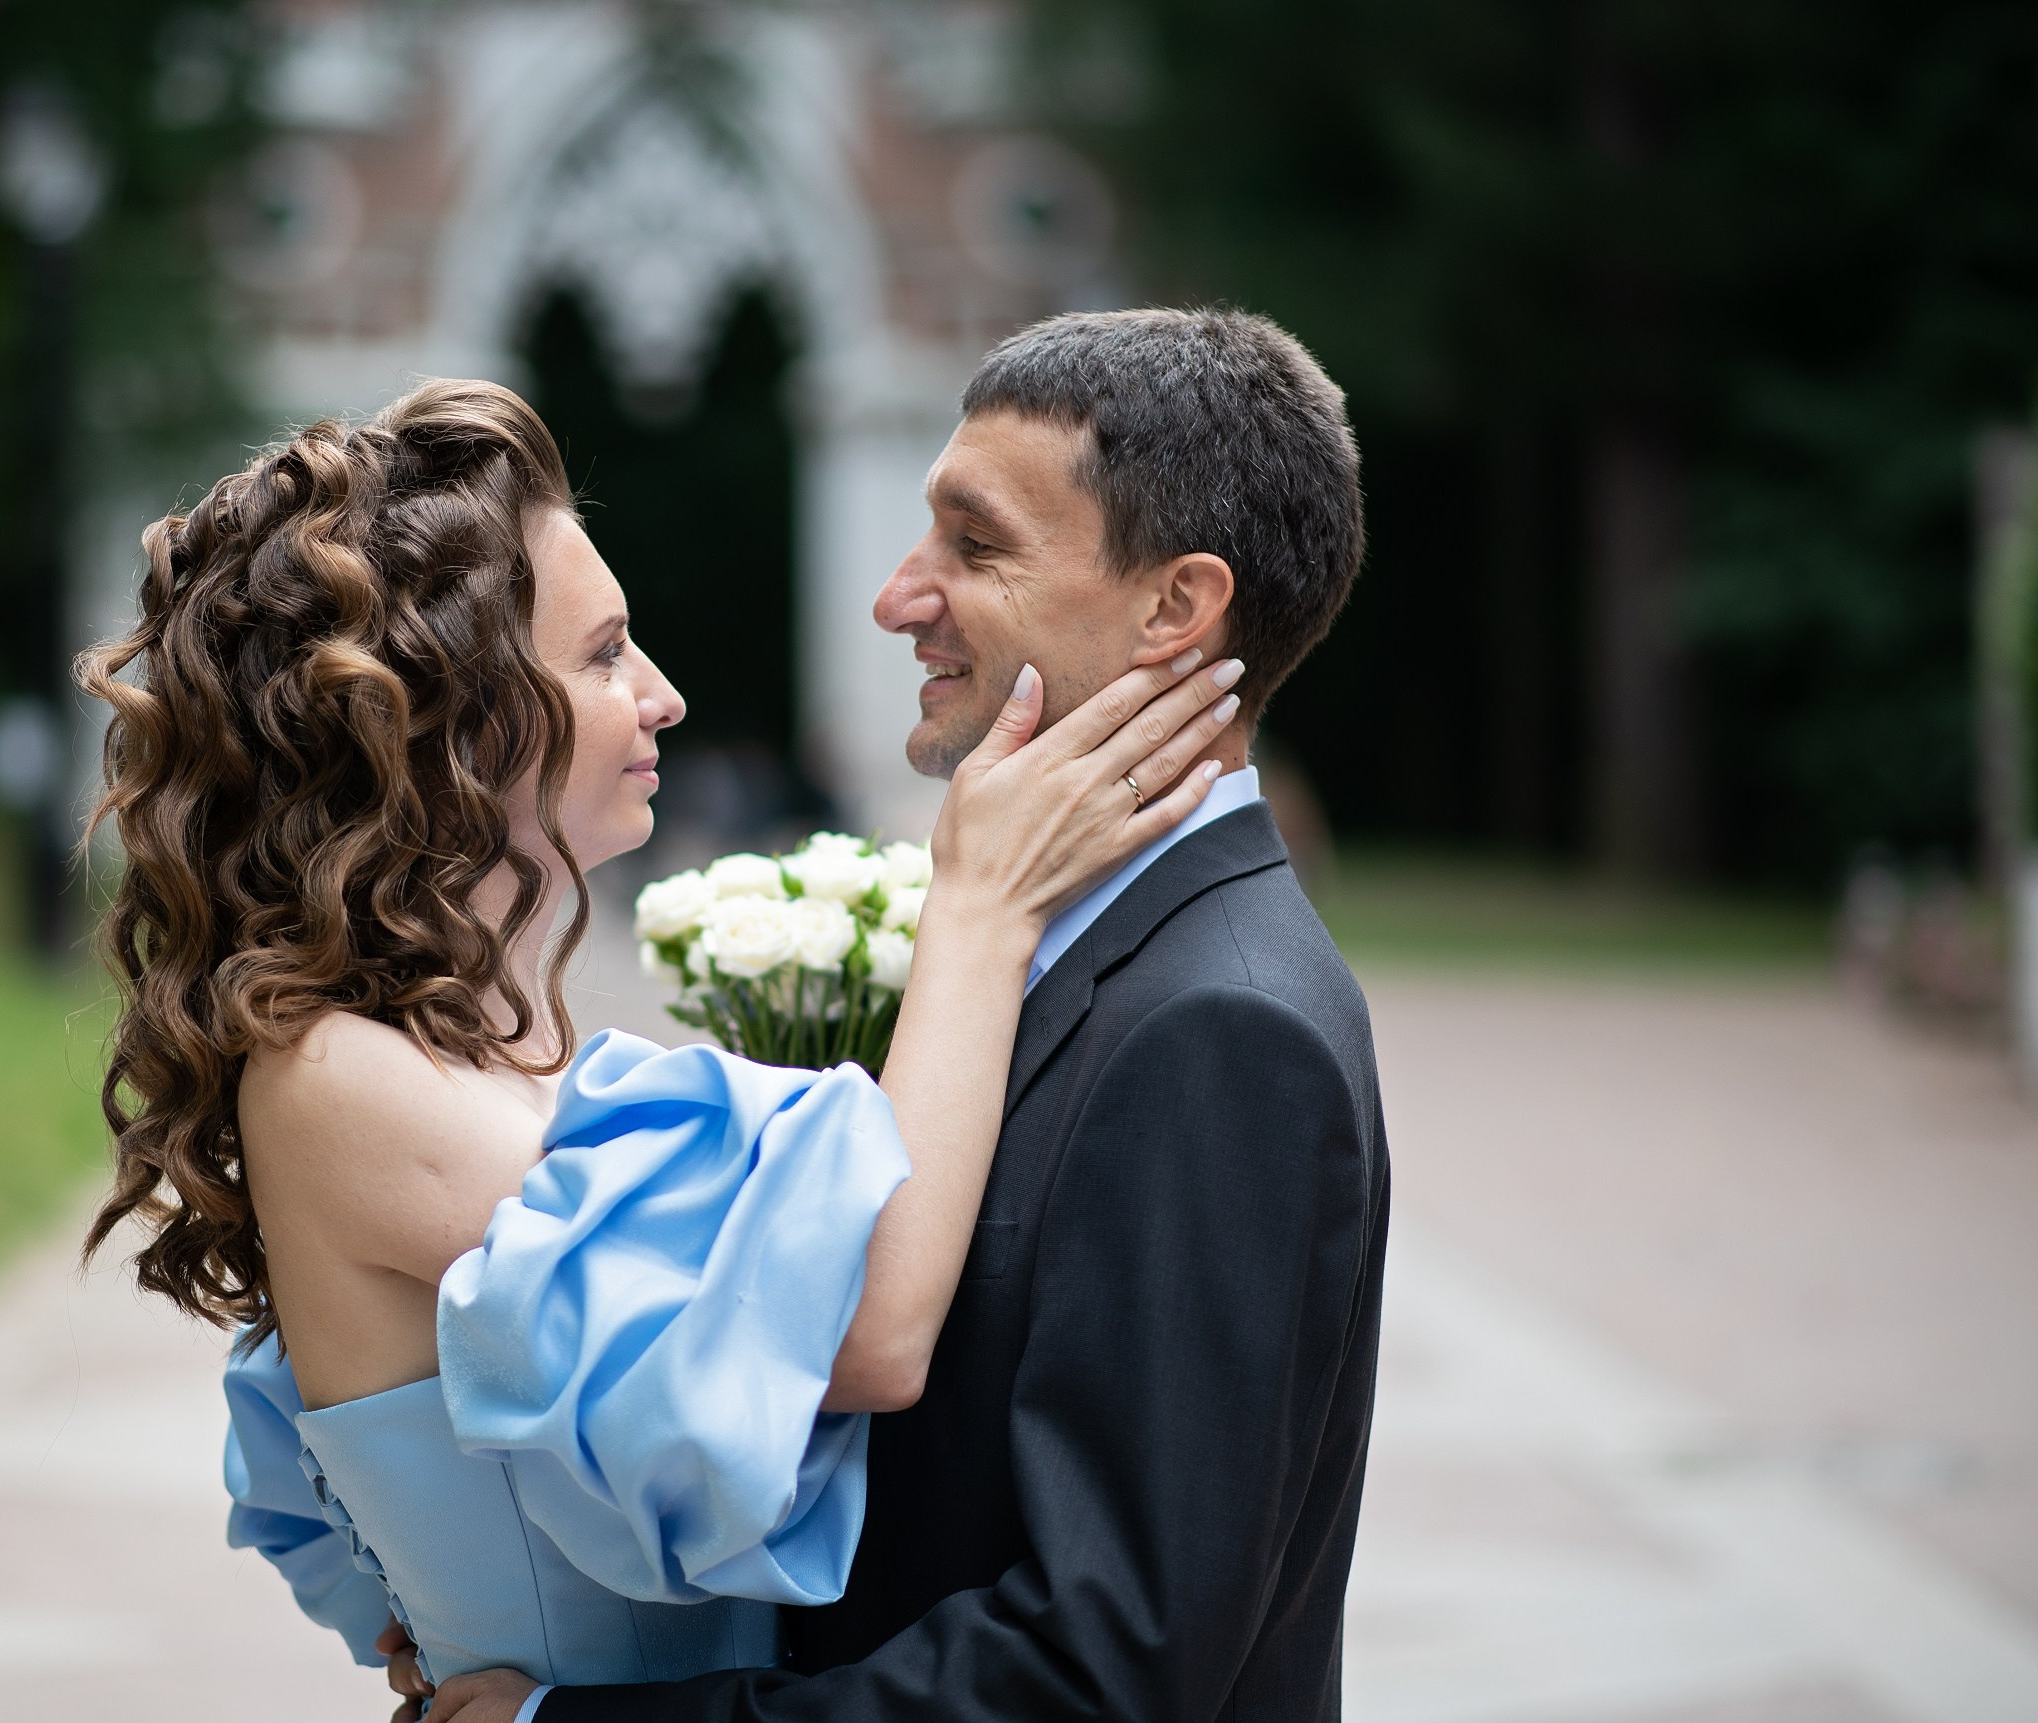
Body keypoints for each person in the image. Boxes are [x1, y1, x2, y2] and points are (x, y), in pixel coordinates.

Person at [74, 379, 1241, 1715]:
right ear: (449, 716)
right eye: (605, 654)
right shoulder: (336, 1079)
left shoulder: (472, 1060)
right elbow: (858, 1332)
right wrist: (976, 904)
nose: (665, 697)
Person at [435, 307, 1387, 1723]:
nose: (897, 596)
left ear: (1176, 609)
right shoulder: (1061, 955)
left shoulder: (1219, 1027)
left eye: (975, 543)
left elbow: (1107, 1663)